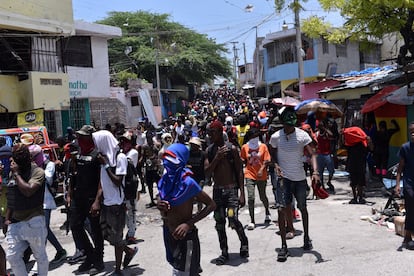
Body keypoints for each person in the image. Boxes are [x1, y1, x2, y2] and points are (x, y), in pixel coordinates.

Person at [269, 106, 320, 262]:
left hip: (299, 179)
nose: (289, 128)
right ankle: (284, 246)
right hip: (284, 180)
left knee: (303, 208)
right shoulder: (276, 137)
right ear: (283, 123)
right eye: (286, 125)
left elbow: (312, 154)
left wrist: (316, 172)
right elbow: (272, 154)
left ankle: (306, 237)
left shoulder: (302, 136)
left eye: (291, 125)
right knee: (282, 210)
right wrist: (275, 165)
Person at [157, 143, 216, 275]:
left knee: (185, 271)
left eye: (172, 159)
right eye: (166, 158)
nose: (167, 162)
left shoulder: (188, 183)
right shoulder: (165, 181)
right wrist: (160, 205)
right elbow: (160, 200)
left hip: (186, 236)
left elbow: (211, 204)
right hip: (169, 233)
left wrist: (188, 224)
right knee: (179, 267)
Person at [91, 130, 138, 276]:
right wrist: (97, 201)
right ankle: (129, 251)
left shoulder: (120, 157)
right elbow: (102, 182)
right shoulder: (103, 158)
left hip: (117, 204)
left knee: (117, 239)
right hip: (106, 203)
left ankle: (118, 270)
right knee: (107, 236)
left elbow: (118, 181)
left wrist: (105, 165)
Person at [205, 120, 249, 265]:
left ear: (219, 132)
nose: (209, 134)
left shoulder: (232, 149)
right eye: (209, 132)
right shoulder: (210, 151)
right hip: (217, 191)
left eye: (212, 132)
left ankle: (244, 242)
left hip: (231, 190)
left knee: (233, 218)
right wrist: (216, 158)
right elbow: (207, 172)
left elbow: (239, 172)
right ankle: (224, 252)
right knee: (219, 222)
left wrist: (242, 193)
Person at [5, 144, 49, 276]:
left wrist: (17, 174)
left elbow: (28, 191)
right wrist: (7, 218)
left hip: (34, 219)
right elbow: (11, 196)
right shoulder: (14, 172)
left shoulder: (37, 172)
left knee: (39, 255)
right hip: (16, 221)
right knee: (12, 256)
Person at [67, 125, 105, 274]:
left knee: (96, 231)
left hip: (92, 198)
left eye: (83, 136)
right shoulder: (78, 153)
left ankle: (99, 261)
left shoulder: (97, 155)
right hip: (78, 197)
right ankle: (89, 256)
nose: (80, 139)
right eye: (79, 136)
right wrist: (69, 195)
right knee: (75, 226)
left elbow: (102, 181)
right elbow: (73, 176)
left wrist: (97, 201)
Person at [28, 145, 67, 267]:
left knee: (42, 229)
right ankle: (60, 251)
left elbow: (47, 178)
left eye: (33, 157)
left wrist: (34, 169)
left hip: (46, 201)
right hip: (35, 203)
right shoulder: (33, 166)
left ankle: (40, 259)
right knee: (44, 230)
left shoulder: (48, 164)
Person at [240, 128, 271, 230]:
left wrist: (262, 169)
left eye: (256, 137)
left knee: (262, 196)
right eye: (252, 137)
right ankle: (252, 220)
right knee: (251, 197)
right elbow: (243, 159)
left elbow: (266, 160)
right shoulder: (245, 147)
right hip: (249, 174)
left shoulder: (263, 146)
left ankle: (267, 211)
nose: (254, 139)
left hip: (261, 175)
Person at [119, 131, 140, 245]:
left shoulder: (133, 153)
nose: (123, 143)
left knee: (131, 211)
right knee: (125, 211)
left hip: (130, 185)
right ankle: (129, 231)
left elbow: (125, 163)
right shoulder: (123, 152)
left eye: (126, 141)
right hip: (123, 185)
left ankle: (131, 233)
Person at [395, 121, 414, 249]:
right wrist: (397, 185)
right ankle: (407, 237)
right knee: (411, 209)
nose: (413, 134)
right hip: (409, 183)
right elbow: (400, 168)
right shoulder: (405, 147)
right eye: (411, 132)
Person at [342, 126, 370, 204]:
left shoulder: (352, 145)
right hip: (359, 164)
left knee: (356, 182)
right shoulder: (360, 144)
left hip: (354, 164)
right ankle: (359, 198)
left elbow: (371, 148)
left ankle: (357, 198)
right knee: (357, 182)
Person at [187, 137, 207, 212]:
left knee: (199, 193)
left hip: (200, 177)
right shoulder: (188, 153)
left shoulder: (203, 154)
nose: (192, 146)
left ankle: (199, 210)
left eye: (193, 144)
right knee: (191, 196)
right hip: (191, 177)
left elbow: (206, 166)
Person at [315, 120, 335, 193]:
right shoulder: (317, 133)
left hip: (327, 154)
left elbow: (331, 135)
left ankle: (329, 181)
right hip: (319, 154)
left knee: (331, 170)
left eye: (321, 125)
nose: (320, 127)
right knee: (320, 172)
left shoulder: (327, 133)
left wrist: (325, 129)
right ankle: (322, 186)